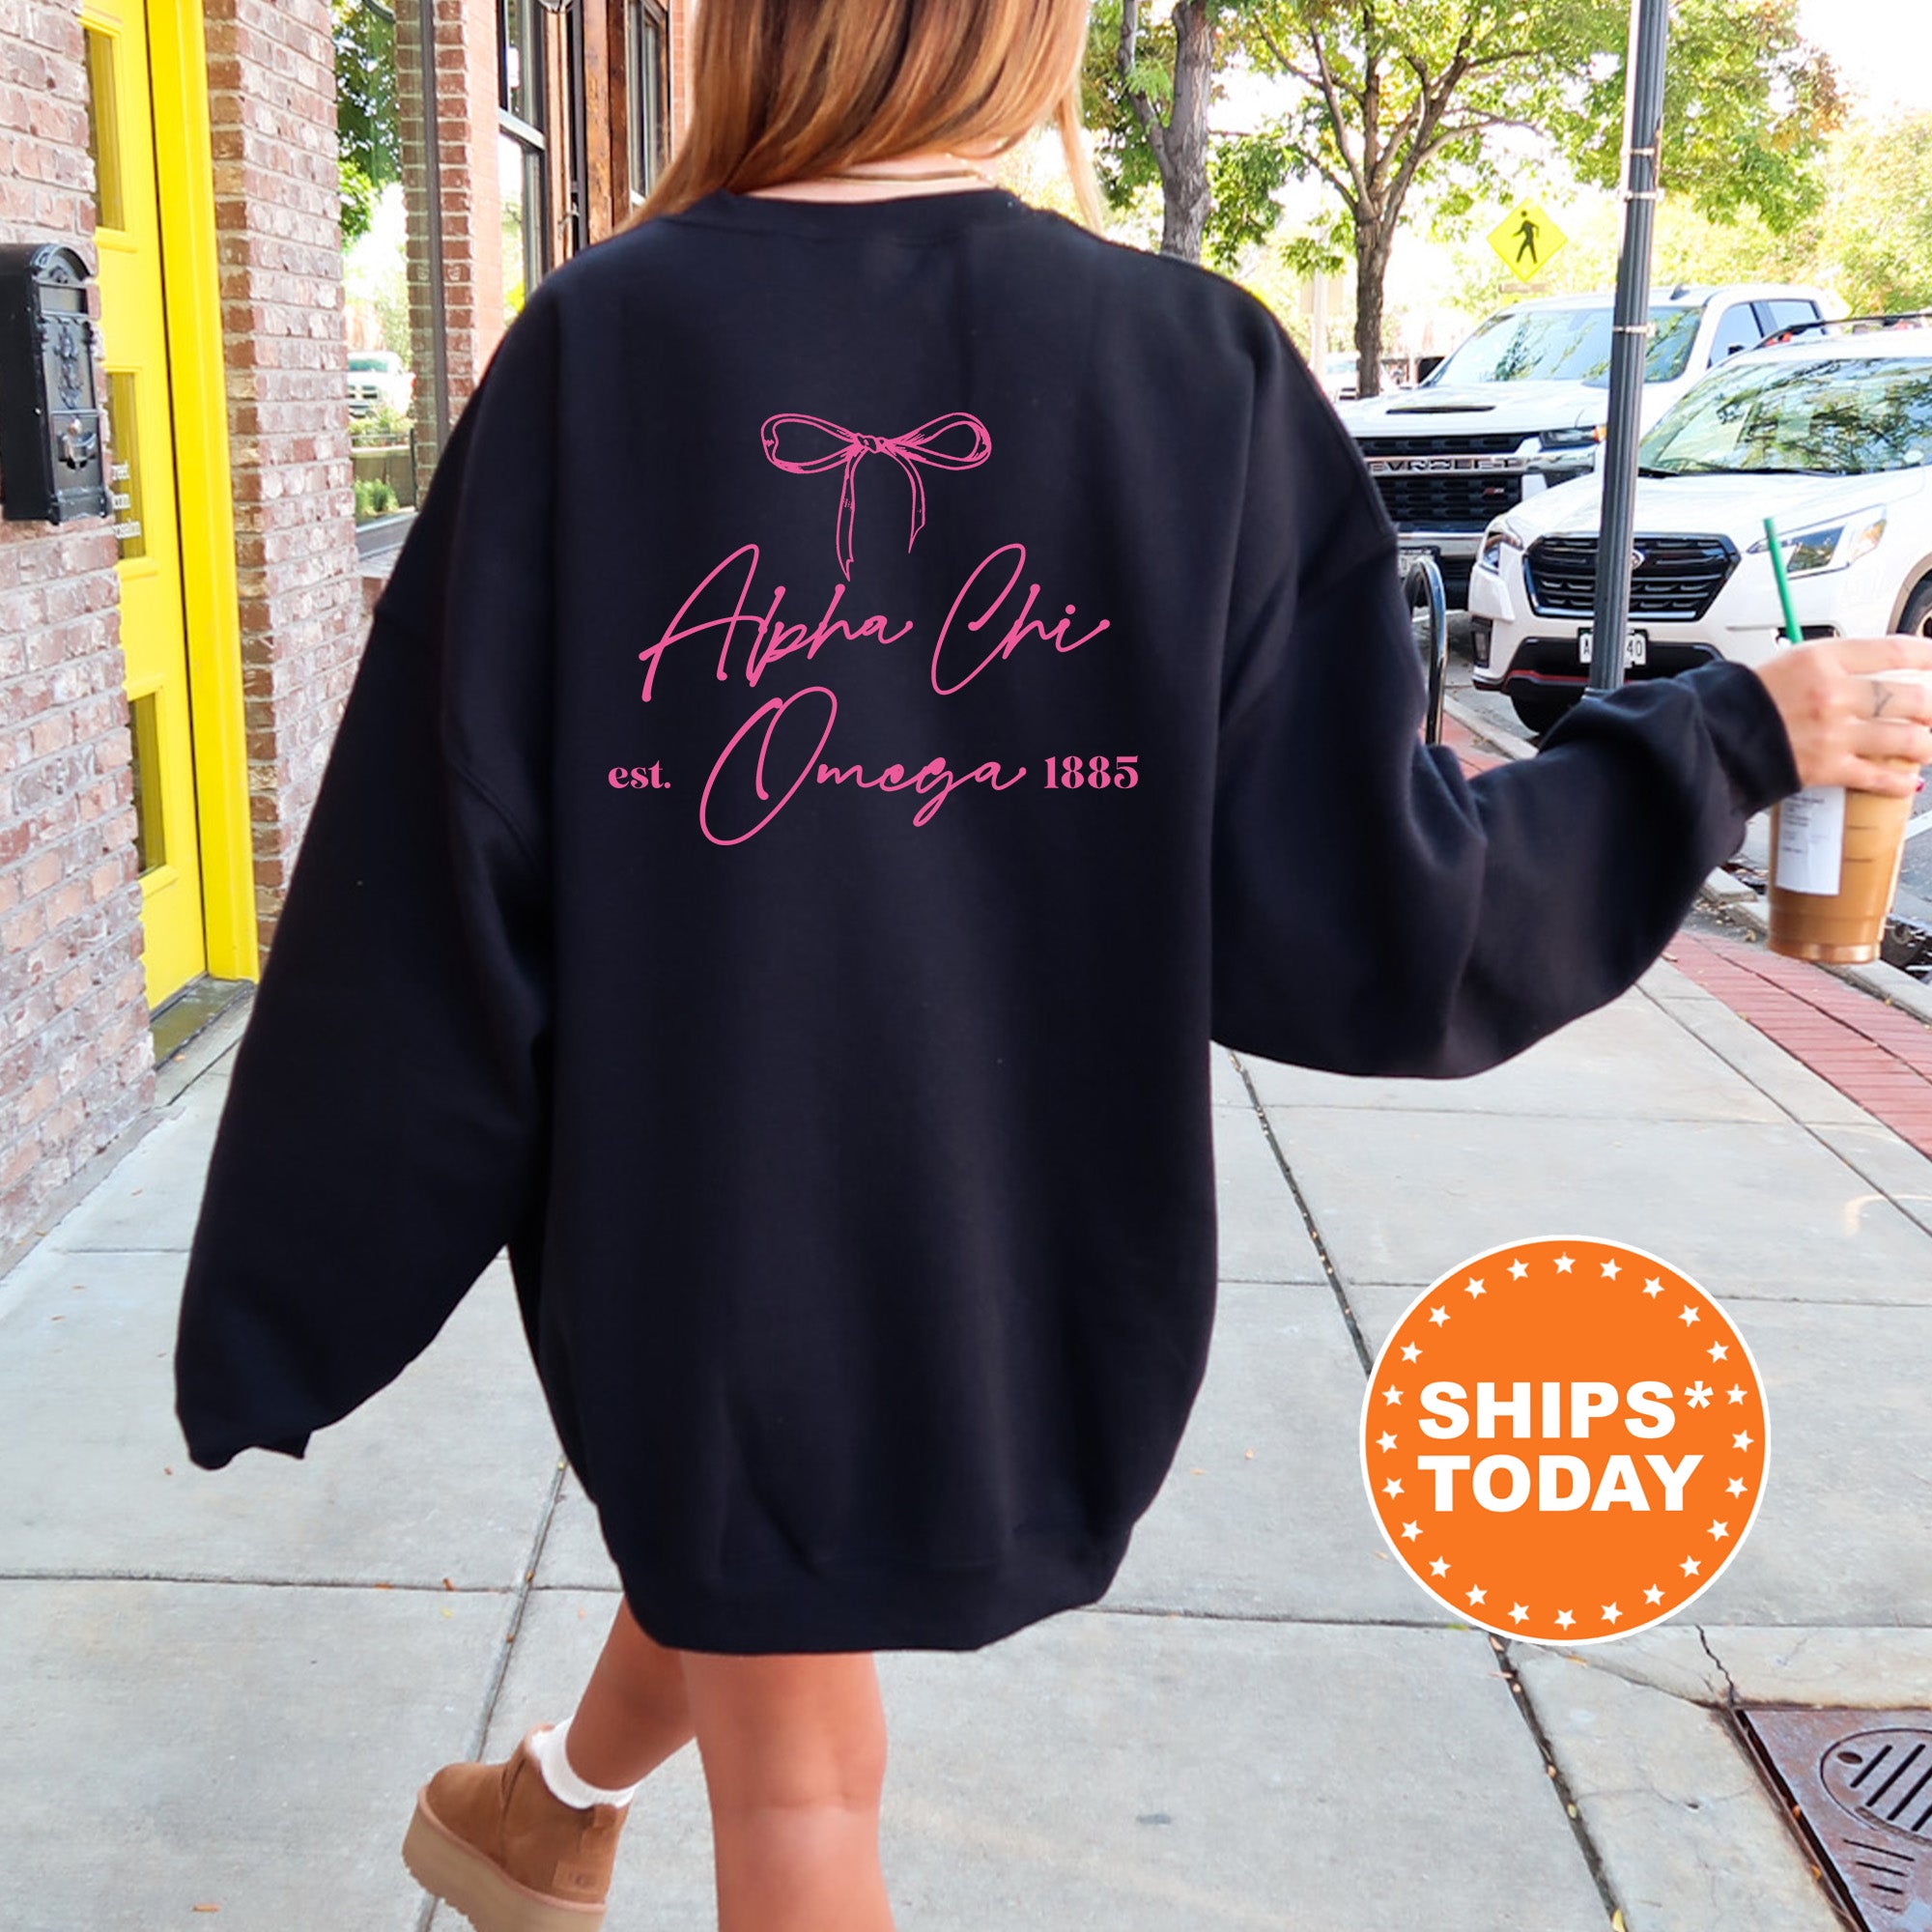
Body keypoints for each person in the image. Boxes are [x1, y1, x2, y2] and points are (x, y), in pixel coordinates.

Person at [170, 2, 1932, 1929]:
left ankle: (536, 1812)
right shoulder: (1196, 373)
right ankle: (538, 1819)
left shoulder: (603, 349)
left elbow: (434, 895)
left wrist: (305, 1279)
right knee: (808, 1765)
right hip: (1026, 1237)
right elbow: (1378, 918)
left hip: (702, 1228)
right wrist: (1725, 734)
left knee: (764, 1558)